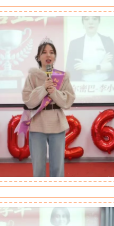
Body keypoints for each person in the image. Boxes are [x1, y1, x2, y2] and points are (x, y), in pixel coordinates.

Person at [20, 38, 75, 177]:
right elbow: (28, 101)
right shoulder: (32, 76)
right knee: (38, 166)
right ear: (38, 57)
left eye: (51, 52)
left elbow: (68, 101)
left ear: (55, 57)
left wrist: (54, 92)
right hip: (37, 123)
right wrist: (43, 88)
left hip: (57, 123)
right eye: (44, 52)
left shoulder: (62, 77)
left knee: (57, 166)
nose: (48, 55)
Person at [65, 17, 114, 82]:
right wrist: (102, 64)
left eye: (94, 19)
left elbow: (113, 66)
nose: (91, 22)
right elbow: (75, 71)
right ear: (83, 22)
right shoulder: (74, 44)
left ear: (99, 21)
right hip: (83, 85)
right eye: (87, 19)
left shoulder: (108, 41)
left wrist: (87, 67)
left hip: (106, 83)